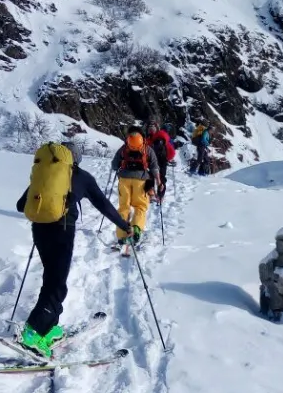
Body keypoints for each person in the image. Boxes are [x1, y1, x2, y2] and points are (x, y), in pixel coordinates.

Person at [15, 140, 132, 357]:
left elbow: (21, 205)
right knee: (57, 284)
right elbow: (104, 205)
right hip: (62, 229)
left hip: (39, 230)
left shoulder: (45, 174)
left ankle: (49, 330)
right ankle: (33, 332)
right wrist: (125, 226)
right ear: (75, 159)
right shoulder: (82, 177)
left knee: (51, 278)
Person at [111, 125, 160, 247]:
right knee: (140, 206)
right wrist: (159, 181)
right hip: (141, 181)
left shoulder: (124, 148)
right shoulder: (147, 149)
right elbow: (154, 166)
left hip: (124, 179)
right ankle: (136, 230)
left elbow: (114, 165)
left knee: (124, 207)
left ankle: (122, 236)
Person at [146, 121, 176, 201]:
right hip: (162, 161)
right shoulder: (163, 136)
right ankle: (160, 195)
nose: (151, 129)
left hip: (151, 161)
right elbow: (172, 152)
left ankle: (151, 193)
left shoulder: (147, 140)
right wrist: (167, 159)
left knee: (150, 176)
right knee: (161, 178)